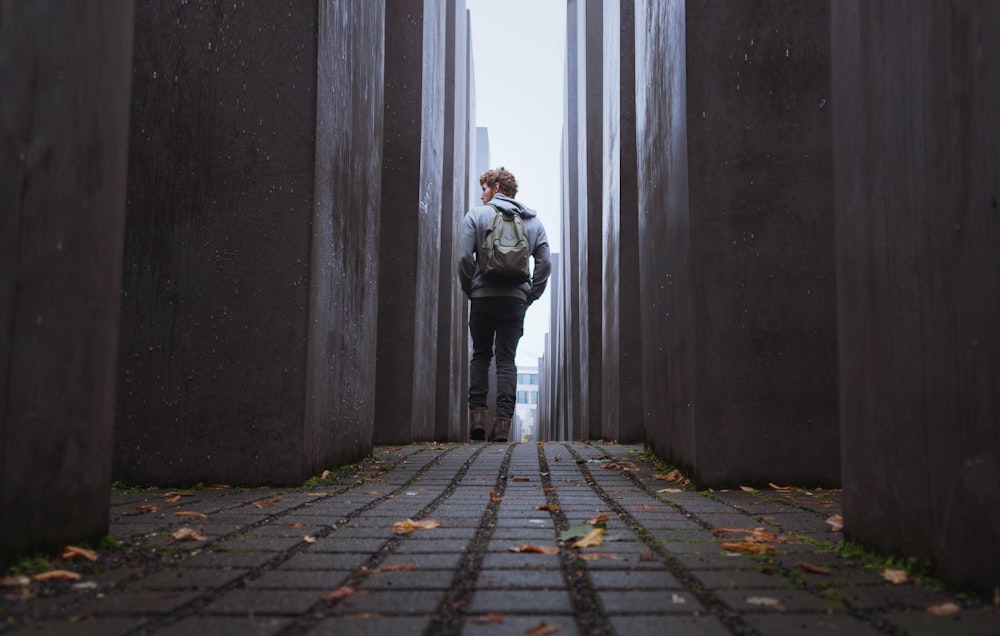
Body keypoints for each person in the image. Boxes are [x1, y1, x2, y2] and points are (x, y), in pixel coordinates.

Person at [458, 167, 550, 442]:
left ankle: (477, 418)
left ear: (496, 187)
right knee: (507, 359)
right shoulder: (533, 221)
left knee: (481, 355)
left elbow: (464, 257)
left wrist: (470, 288)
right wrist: (530, 294)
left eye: (485, 189)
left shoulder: (477, 215)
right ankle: (502, 426)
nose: (482, 195)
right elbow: (545, 264)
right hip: (514, 300)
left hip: (483, 297)